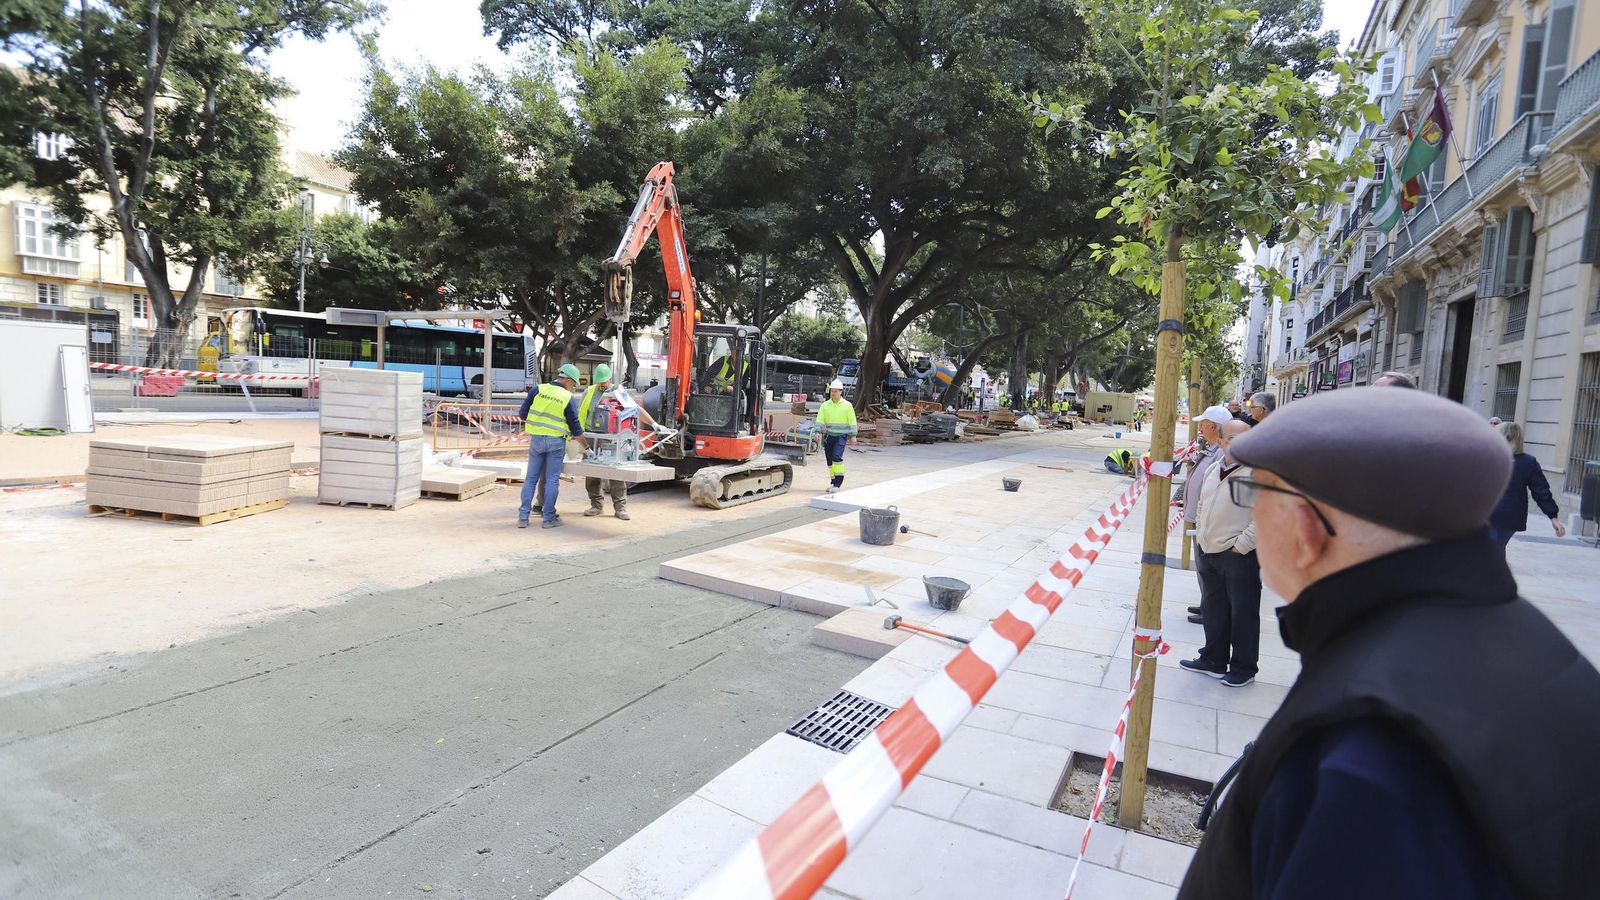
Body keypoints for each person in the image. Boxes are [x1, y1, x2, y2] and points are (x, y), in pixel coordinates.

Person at [1177, 386, 1600, 900]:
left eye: (1256, 493)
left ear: (1307, 529)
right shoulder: (1529, 638)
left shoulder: (1365, 757)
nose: (1254, 512)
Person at [1178, 419, 1259, 687]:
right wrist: (1201, 535)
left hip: (1238, 555)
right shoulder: (1215, 468)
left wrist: (1241, 546)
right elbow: (1202, 504)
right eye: (1235, 439)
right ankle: (1213, 659)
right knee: (1214, 609)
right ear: (1222, 441)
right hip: (1209, 550)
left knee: (1243, 614)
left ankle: (1244, 668)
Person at [576, 363, 659, 521]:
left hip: (613, 439)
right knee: (592, 474)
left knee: (616, 474)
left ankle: (620, 508)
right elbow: (580, 413)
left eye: (604, 383)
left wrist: (653, 423)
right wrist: (581, 439)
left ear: (609, 380)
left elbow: (635, 410)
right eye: (599, 383)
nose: (601, 386)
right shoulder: (589, 392)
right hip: (592, 437)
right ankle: (596, 505)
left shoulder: (619, 392)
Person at [1182, 405, 1235, 623]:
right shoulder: (1212, 449)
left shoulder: (1220, 453)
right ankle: (1207, 604)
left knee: (1208, 569)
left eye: (1203, 423)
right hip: (1200, 518)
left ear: (1212, 426)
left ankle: (1212, 609)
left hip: (1207, 522)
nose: (1200, 427)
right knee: (1203, 568)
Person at [517, 363, 584, 529]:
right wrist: (586, 447)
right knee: (552, 481)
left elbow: (522, 414)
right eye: (573, 383)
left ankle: (523, 517)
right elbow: (575, 427)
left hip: (537, 441)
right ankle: (548, 519)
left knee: (531, 479)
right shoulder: (567, 397)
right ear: (568, 380)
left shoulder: (538, 390)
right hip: (556, 443)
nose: (573, 387)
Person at [1488, 421, 1565, 548]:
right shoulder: (1528, 462)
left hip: (1488, 514)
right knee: (1495, 551)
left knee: (1488, 553)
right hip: (1511, 517)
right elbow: (1541, 491)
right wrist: (1553, 517)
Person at [816, 379, 858, 493]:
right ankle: (833, 482)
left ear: (841, 392)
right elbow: (820, 420)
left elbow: (852, 421)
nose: (833, 393)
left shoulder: (847, 406)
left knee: (836, 458)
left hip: (841, 436)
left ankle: (838, 483)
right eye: (832, 391)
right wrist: (817, 432)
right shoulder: (825, 406)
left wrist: (853, 435)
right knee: (829, 461)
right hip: (829, 436)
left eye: (835, 391)